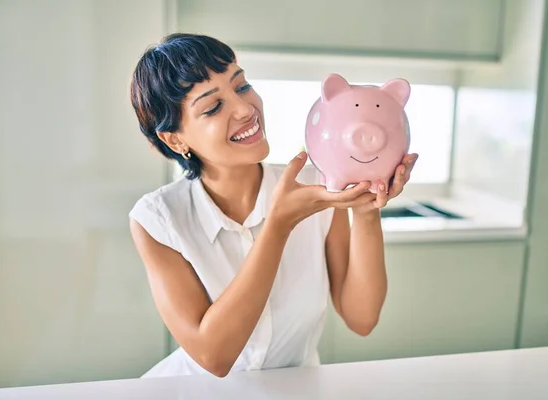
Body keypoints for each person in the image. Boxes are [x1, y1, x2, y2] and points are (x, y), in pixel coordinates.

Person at [128, 33, 418, 378]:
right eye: (213, 107)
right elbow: (214, 356)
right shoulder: (158, 219)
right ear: (174, 138)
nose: (244, 109)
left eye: (241, 85)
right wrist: (278, 225)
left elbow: (362, 318)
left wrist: (367, 211)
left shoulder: (319, 184)